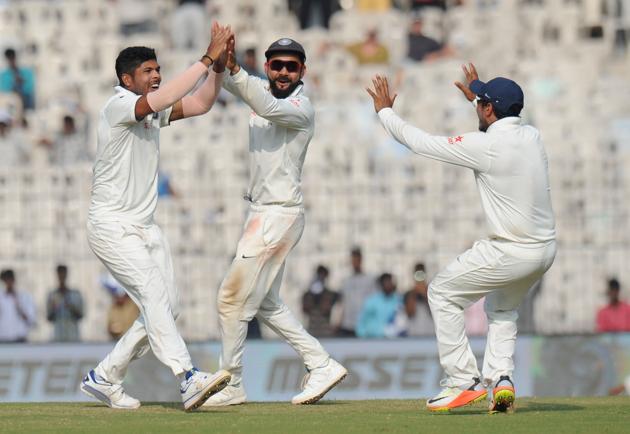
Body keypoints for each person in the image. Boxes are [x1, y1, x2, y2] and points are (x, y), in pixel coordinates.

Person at [366, 64, 556, 412]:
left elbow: (419, 142)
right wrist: (479, 101)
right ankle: (501, 378)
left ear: (488, 110)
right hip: (544, 251)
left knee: (441, 293)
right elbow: (498, 118)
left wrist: (385, 112)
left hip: (510, 251)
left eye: (480, 102)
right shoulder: (532, 136)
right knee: (502, 307)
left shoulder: (484, 145)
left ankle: (462, 380)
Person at [80, 23, 234, 412]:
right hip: (112, 225)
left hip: (145, 227)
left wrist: (217, 69)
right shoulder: (118, 106)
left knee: (168, 305)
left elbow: (199, 104)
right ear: (126, 78)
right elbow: (164, 97)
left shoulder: (148, 112)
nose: (156, 75)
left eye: (157, 69)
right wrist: (206, 57)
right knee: (152, 296)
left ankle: (106, 376)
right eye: (148, 71)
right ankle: (187, 378)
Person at [203, 36, 347, 407]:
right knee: (266, 305)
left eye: (291, 66)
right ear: (266, 67)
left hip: (278, 214)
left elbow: (263, 104)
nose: (283, 72)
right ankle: (322, 363)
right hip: (262, 213)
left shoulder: (302, 108)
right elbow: (236, 85)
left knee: (230, 299)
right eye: (277, 65)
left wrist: (235, 69)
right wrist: (221, 62)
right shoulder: (260, 91)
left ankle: (231, 383)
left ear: (303, 71)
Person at [337, 247, 377, 336]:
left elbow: (374, 302)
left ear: (361, 260)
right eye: (353, 260)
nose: (355, 262)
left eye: (357, 260)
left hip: (364, 325)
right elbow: (342, 303)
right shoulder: (346, 281)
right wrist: (338, 322)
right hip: (347, 324)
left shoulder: (369, 279)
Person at [356, 273, 401, 338]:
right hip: (372, 340)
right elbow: (362, 321)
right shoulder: (371, 301)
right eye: (387, 282)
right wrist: (362, 336)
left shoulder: (398, 300)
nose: (389, 285)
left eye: (390, 282)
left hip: (393, 341)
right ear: (381, 284)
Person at [46, 265, 84, 342]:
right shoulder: (52, 295)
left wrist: (70, 306)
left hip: (73, 335)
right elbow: (49, 317)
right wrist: (55, 308)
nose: (62, 276)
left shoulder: (75, 294)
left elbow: (81, 315)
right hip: (57, 335)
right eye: (60, 274)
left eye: (63, 274)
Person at [0, 269, 37, 343]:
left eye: (9, 279)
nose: (8, 283)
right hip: (3, 339)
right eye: (5, 280)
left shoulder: (24, 297)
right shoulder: (1, 297)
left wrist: (19, 307)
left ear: (13, 280)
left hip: (20, 339)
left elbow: (32, 320)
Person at [302, 265, 338, 337]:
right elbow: (305, 309)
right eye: (319, 275)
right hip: (312, 331)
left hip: (325, 332)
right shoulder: (308, 295)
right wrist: (312, 295)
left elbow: (327, 309)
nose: (321, 278)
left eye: (323, 275)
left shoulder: (330, 295)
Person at [402, 263, 434, 336]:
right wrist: (414, 293)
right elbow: (410, 314)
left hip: (430, 333)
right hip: (414, 333)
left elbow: (434, 313)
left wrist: (425, 294)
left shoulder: (432, 293)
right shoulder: (409, 293)